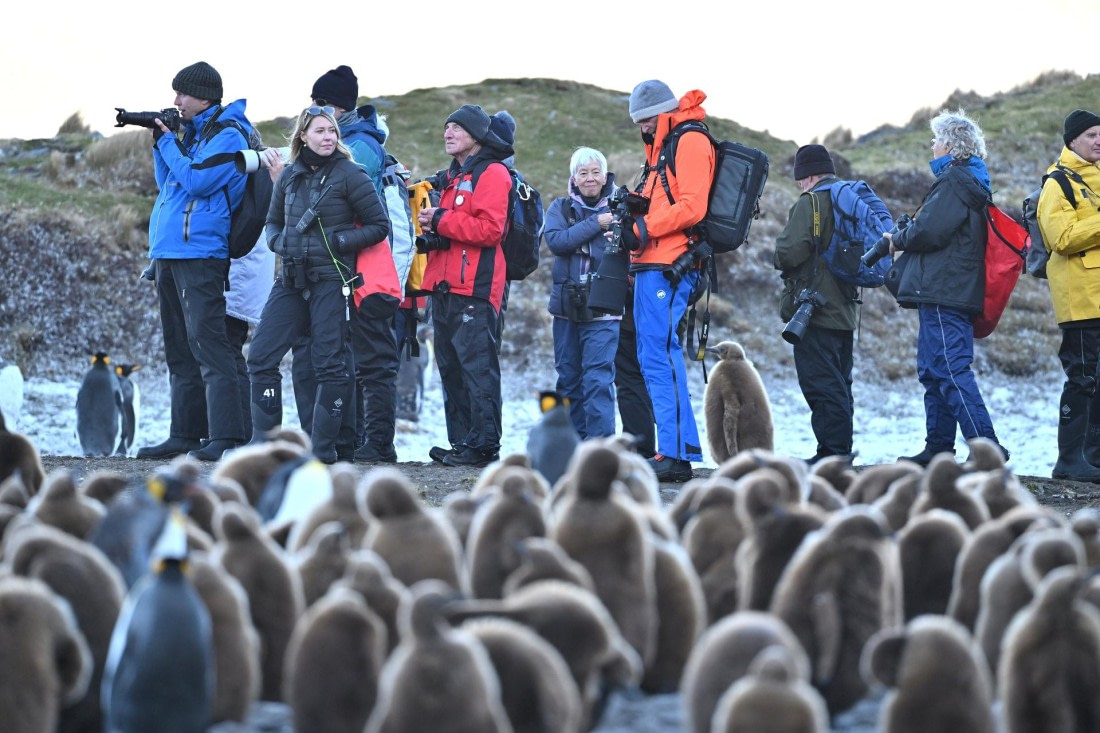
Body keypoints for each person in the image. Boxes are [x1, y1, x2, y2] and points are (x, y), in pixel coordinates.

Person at [246, 106, 389, 464]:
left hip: (332, 280)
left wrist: (341, 242)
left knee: (330, 365)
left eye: (332, 131)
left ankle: (323, 451)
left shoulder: (351, 175)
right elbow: (273, 222)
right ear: (303, 136)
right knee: (261, 357)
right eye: (321, 131)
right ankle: (263, 446)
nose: (328, 137)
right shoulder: (290, 175)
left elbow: (379, 225)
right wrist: (278, 242)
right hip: (290, 280)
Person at [289, 66, 410, 463]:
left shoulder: (359, 148)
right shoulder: (363, 141)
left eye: (318, 103)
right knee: (352, 353)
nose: (313, 110)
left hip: (363, 263)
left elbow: (330, 197)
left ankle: (377, 442)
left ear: (334, 107)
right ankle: (358, 439)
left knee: (372, 355)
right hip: (349, 262)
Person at [136, 61, 250, 462]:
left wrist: (170, 142)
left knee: (209, 345)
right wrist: (161, 142)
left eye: (182, 93)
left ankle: (226, 436)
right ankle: (185, 434)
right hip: (171, 252)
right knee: (180, 349)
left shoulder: (228, 135)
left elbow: (199, 181)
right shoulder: (196, 136)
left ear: (204, 95)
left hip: (201, 253)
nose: (176, 101)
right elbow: (169, 183)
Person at [887, 109, 1009, 466]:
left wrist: (898, 239)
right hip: (945, 289)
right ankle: (938, 448)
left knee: (950, 369)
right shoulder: (966, 180)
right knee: (933, 369)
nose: (932, 145)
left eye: (937, 139)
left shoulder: (956, 181)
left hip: (945, 291)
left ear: (952, 146)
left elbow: (929, 231)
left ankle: (987, 450)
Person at [619, 80, 714, 482]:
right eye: (638, 122)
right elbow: (672, 199)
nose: (642, 128)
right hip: (652, 263)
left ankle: (677, 454)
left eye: (646, 120)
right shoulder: (663, 146)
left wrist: (643, 228)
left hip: (670, 264)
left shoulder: (688, 140)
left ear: (663, 113)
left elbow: (693, 206)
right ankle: (672, 451)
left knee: (661, 354)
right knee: (653, 356)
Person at [417, 104, 512, 468]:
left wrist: (440, 219)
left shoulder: (492, 173)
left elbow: (491, 230)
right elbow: (455, 226)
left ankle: (485, 446)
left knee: (477, 369)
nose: (448, 133)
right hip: (444, 287)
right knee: (452, 368)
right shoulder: (454, 176)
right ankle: (462, 443)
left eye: (456, 127)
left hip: (475, 287)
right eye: (446, 127)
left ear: (476, 135)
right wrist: (434, 223)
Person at [774, 144, 856, 465]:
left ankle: (832, 456)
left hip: (814, 311)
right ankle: (839, 452)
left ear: (806, 176)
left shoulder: (811, 203)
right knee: (841, 382)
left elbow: (789, 251)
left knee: (821, 384)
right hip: (846, 308)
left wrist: (778, 250)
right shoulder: (849, 199)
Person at [1037, 109, 1100, 483]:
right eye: (1092, 135)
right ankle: (1069, 460)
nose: (1099, 141)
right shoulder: (1057, 183)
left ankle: (1091, 457)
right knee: (1082, 378)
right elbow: (1061, 238)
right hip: (1079, 299)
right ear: (1072, 139)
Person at [542, 147, 620, 439]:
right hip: (566, 308)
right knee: (568, 380)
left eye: (595, 172)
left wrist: (580, 237)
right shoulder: (559, 208)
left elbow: (621, 251)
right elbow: (557, 242)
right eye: (583, 172)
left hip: (604, 307)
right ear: (573, 177)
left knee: (598, 380)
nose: (590, 178)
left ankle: (599, 451)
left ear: (604, 175)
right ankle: (572, 449)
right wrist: (597, 224)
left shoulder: (621, 208)